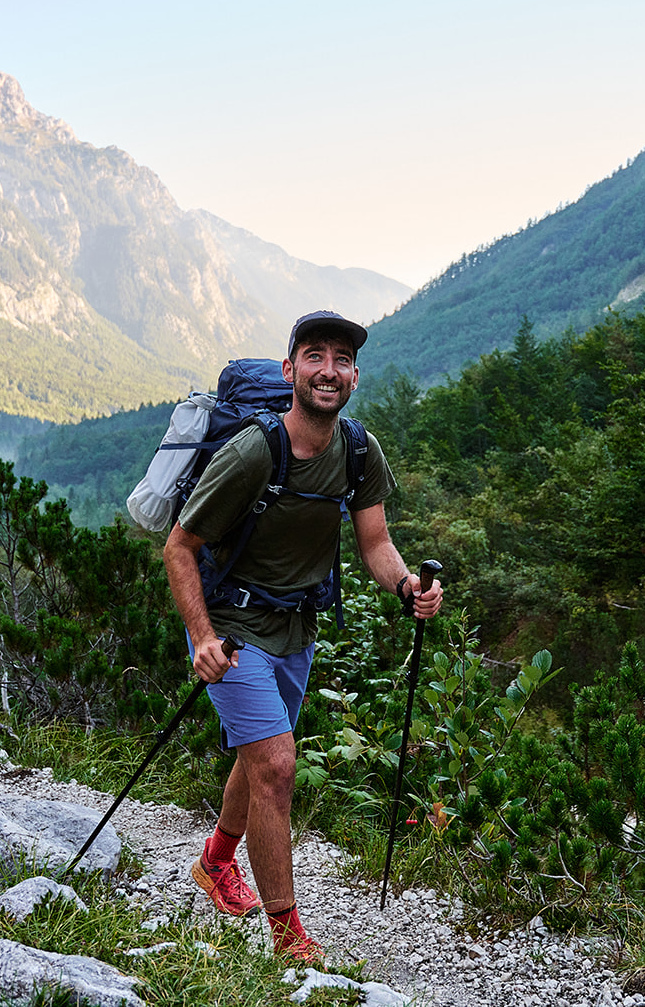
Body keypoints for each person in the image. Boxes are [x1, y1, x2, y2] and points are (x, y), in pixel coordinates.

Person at [162, 309, 443, 964]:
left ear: (353, 375)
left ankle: (214, 863)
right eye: (315, 355)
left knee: (258, 758)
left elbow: (375, 542)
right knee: (277, 763)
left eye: (342, 358)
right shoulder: (254, 450)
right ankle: (290, 940)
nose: (329, 368)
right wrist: (201, 636)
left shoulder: (359, 451)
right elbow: (179, 546)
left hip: (296, 628)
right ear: (290, 371)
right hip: (231, 628)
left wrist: (408, 588)